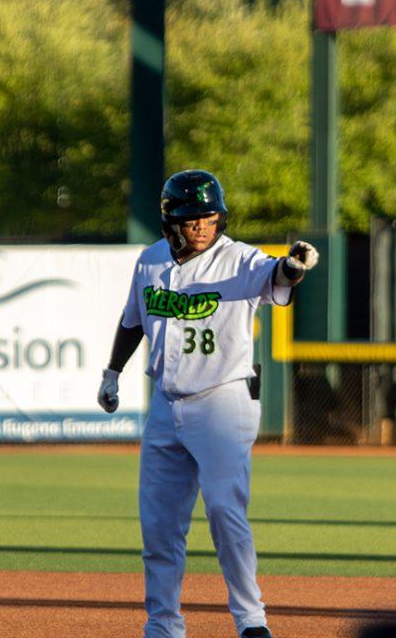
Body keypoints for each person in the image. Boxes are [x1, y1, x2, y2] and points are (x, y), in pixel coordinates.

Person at [97, 169, 318, 638]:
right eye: (192, 217)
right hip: (165, 404)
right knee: (158, 526)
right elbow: (133, 320)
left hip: (223, 400)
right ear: (170, 220)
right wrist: (112, 372)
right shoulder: (151, 261)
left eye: (210, 216)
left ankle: (250, 618)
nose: (202, 226)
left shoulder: (239, 259)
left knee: (223, 509)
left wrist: (294, 267)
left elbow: (277, 275)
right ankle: (162, 624)